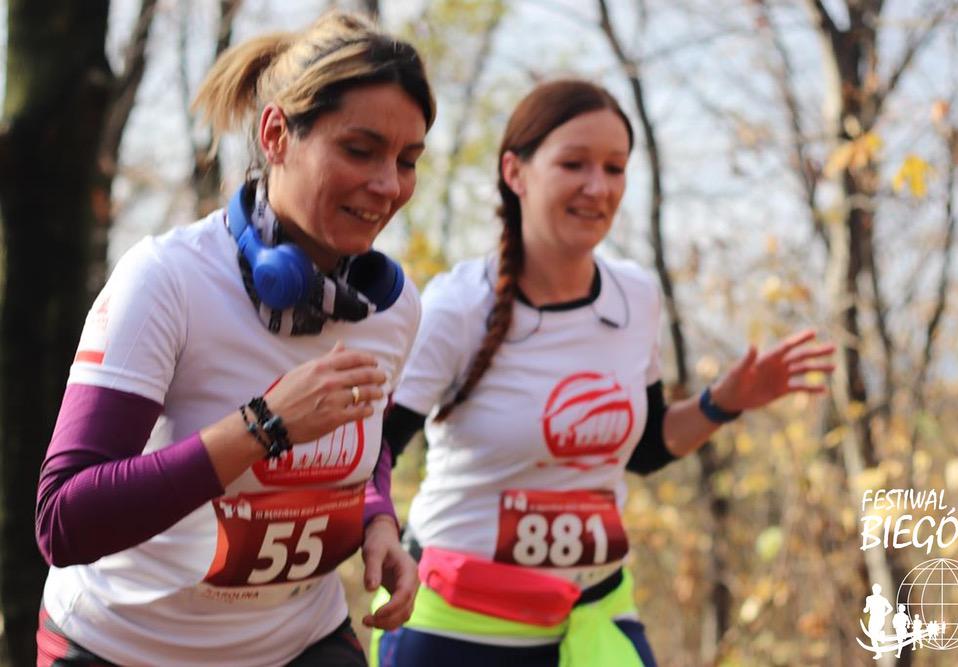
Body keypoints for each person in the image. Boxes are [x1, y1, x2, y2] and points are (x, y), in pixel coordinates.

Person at [372, 79, 835, 666]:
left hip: (593, 616)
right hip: (459, 624)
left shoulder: (634, 296)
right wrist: (378, 533)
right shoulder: (458, 305)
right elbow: (379, 448)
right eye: (574, 164)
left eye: (615, 168)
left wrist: (723, 401)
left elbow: (643, 449)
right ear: (515, 172)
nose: (599, 187)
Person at [34, 11, 434, 667]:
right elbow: (63, 521)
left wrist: (378, 518)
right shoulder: (168, 279)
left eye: (408, 160)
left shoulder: (391, 307)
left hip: (298, 641)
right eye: (360, 150)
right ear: (276, 134)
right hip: (125, 647)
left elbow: (371, 448)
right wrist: (264, 425)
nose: (389, 184)